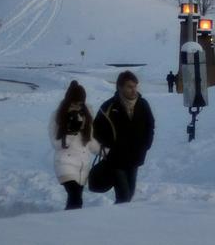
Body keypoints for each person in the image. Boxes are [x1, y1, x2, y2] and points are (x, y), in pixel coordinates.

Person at [94, 70, 155, 203]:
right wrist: (109, 146)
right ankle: (118, 222)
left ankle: (120, 220)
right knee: (124, 196)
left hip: (135, 157)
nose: (134, 90)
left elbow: (150, 126)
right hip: (116, 159)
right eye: (129, 87)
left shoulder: (143, 104)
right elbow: (96, 130)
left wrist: (146, 145)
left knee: (130, 193)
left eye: (135, 86)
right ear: (120, 87)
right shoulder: (109, 106)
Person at [49, 80, 100, 210]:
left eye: (80, 104)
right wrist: (71, 131)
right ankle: (69, 226)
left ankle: (71, 224)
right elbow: (55, 143)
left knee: (77, 199)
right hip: (64, 162)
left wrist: (103, 151)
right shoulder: (58, 115)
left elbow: (89, 140)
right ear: (68, 100)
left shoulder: (87, 115)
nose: (77, 107)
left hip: (83, 164)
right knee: (75, 195)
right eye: (74, 103)